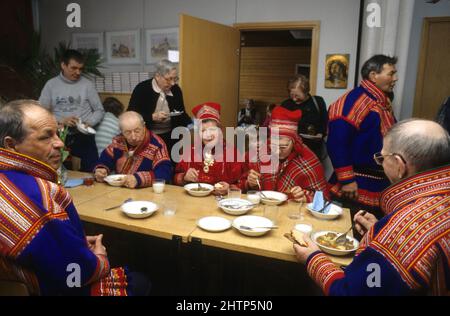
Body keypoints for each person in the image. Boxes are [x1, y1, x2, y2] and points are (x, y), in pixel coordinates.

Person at [0, 100, 149, 295]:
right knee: (141, 282)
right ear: (11, 145)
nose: (60, 143)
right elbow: (78, 272)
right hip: (57, 288)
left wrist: (71, 240)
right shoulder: (39, 197)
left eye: (57, 132)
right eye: (46, 137)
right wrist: (100, 258)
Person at [293, 119, 450, 296]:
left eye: (382, 158)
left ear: (399, 165)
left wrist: (313, 258)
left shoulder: (404, 230)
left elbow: (352, 293)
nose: (381, 163)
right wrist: (379, 233)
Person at [327, 54, 398, 219]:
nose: (395, 78)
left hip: (378, 182)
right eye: (391, 73)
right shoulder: (354, 102)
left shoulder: (381, 102)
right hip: (356, 184)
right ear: (374, 76)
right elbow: (337, 143)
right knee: (349, 235)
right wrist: (347, 180)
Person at [241, 106, 329, 202]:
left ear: (294, 141)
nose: (278, 151)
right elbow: (238, 185)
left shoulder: (308, 159)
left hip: (290, 214)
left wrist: (305, 197)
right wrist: (249, 183)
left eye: (283, 147)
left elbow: (323, 199)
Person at [39, 49, 104, 172]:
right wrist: (61, 122)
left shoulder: (87, 85)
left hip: (84, 136)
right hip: (59, 137)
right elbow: (42, 113)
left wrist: (88, 123)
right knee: (59, 173)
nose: (78, 72)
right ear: (63, 65)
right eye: (73, 68)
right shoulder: (51, 85)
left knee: (91, 172)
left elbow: (99, 110)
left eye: (80, 69)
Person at [173, 102, 244, 195]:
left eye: (212, 130)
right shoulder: (190, 151)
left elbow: (244, 184)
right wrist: (184, 177)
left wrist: (229, 188)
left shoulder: (232, 153)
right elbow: (174, 178)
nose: (208, 135)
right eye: (203, 130)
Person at [128, 59, 192, 158]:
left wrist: (193, 124)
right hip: (147, 137)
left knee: (170, 165)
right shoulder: (142, 89)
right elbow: (131, 116)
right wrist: (152, 117)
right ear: (157, 76)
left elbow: (181, 114)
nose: (172, 83)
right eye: (168, 79)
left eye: (175, 79)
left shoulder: (176, 90)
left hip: (171, 136)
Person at [94, 111, 172, 188]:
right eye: (128, 133)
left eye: (137, 131)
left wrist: (139, 179)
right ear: (122, 132)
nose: (133, 137)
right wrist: (101, 169)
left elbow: (165, 173)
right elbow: (105, 159)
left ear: (144, 126)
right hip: (120, 190)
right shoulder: (118, 141)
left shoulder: (157, 144)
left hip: (147, 192)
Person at [281, 75, 328, 160]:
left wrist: (321, 133)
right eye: (292, 95)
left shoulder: (318, 102)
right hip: (292, 150)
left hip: (314, 149)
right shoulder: (286, 105)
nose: (294, 99)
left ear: (306, 91)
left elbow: (324, 121)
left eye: (297, 95)